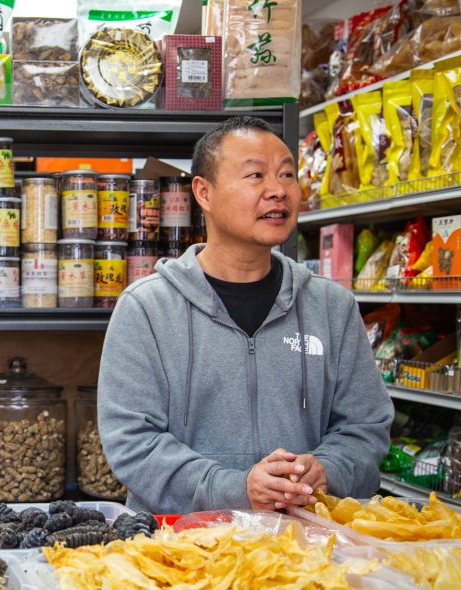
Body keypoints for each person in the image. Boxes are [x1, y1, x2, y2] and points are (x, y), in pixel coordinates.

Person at [97, 116, 393, 514]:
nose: (278, 191)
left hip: (303, 551)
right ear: (203, 192)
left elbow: (366, 428)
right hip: (178, 552)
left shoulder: (331, 307)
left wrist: (327, 470)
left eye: (288, 174)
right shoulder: (147, 309)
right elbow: (132, 443)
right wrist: (236, 488)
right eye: (256, 175)